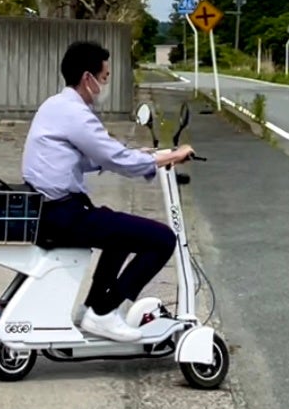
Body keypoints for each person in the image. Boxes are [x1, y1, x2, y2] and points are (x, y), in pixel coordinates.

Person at [21, 40, 194, 343]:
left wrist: (138, 153)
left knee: (120, 234)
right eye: (104, 77)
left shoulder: (55, 105)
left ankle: (91, 309)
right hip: (63, 214)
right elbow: (113, 158)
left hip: (52, 209)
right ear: (87, 78)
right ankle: (103, 312)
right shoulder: (75, 113)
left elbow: (93, 156)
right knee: (162, 239)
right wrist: (167, 157)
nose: (105, 84)